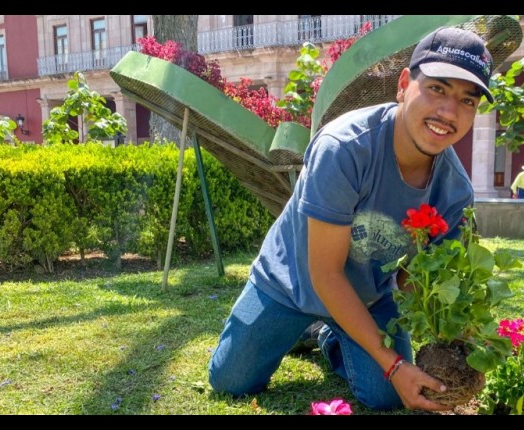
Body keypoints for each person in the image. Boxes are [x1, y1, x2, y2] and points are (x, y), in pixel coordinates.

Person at [208, 26, 494, 412]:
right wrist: (393, 363)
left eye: (467, 101)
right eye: (438, 89)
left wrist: (459, 339)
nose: (448, 112)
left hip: (370, 295)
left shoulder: (455, 194)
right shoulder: (343, 148)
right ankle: (303, 326)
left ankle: (331, 336)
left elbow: (418, 278)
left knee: (386, 396)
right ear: (404, 84)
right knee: (231, 382)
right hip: (290, 283)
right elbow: (324, 273)